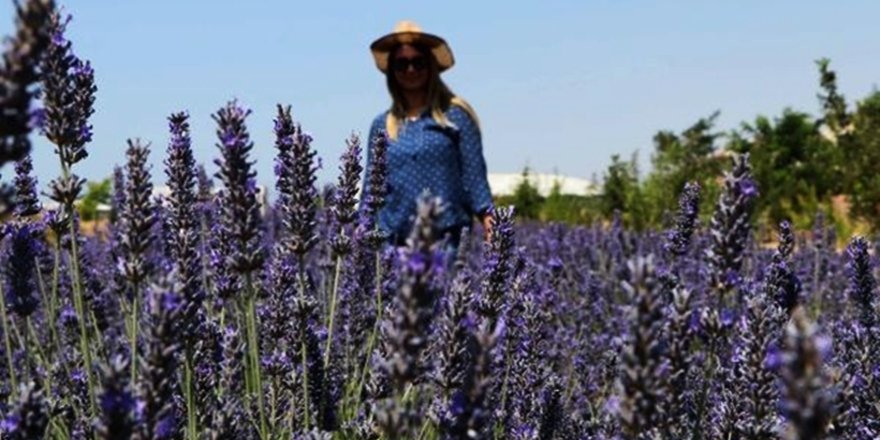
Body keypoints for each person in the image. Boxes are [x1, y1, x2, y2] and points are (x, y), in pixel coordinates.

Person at [364, 20, 494, 252]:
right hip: (394, 243)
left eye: (418, 62)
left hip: (445, 238)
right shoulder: (382, 125)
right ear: (391, 72)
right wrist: (360, 232)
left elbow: (475, 179)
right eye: (401, 64)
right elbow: (371, 188)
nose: (410, 70)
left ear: (431, 66)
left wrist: (490, 220)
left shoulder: (455, 115)